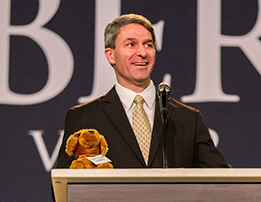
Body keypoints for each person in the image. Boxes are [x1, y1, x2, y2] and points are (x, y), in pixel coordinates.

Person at [56, 14, 229, 168]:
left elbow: (221, 181)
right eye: (131, 44)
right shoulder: (84, 117)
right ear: (110, 55)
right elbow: (65, 187)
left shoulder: (188, 119)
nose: (142, 53)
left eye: (148, 45)